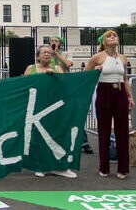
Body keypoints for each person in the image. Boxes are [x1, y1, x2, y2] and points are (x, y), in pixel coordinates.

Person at [86, 30, 134, 179]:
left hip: (120, 93)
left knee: (122, 131)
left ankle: (123, 168)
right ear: (104, 41)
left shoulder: (122, 58)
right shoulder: (98, 57)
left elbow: (124, 78)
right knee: (104, 130)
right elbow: (85, 74)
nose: (113, 37)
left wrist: (130, 96)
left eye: (114, 35)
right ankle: (104, 167)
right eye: (109, 36)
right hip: (104, 92)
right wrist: (94, 70)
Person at [23, 45, 77, 178]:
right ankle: (41, 166)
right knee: (38, 137)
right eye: (44, 52)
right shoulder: (31, 68)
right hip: (36, 106)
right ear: (38, 56)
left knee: (56, 134)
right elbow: (24, 84)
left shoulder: (57, 68)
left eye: (49, 52)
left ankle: (59, 166)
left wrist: (54, 77)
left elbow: (65, 85)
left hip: (53, 106)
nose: (47, 54)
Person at [50, 36, 93, 154]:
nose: (54, 42)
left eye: (56, 41)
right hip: (52, 88)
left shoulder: (66, 53)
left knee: (73, 113)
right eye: (52, 41)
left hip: (66, 87)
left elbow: (68, 64)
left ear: (60, 44)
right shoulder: (46, 54)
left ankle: (84, 142)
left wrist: (57, 54)